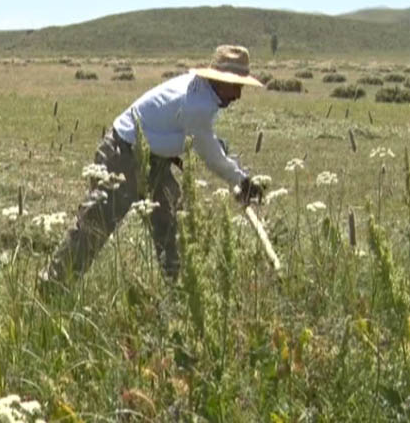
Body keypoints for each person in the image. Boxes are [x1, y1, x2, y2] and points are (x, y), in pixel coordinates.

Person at [40, 44, 266, 289]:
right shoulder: (198, 104)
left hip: (154, 160)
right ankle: (52, 287)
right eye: (235, 86)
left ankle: (180, 292)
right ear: (220, 80)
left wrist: (175, 150)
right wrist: (241, 181)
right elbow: (210, 154)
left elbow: (185, 132)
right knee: (96, 226)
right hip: (123, 155)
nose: (238, 95)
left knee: (172, 226)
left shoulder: (201, 90)